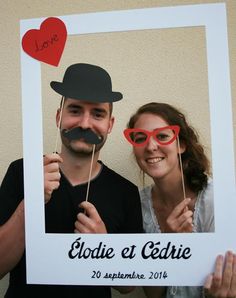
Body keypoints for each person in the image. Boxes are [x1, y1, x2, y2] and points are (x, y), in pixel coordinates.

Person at [0, 63, 143, 297]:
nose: (85, 124)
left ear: (110, 125)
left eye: (97, 113)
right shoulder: (22, 172)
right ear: (59, 116)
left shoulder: (126, 192)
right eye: (75, 110)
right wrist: (30, 204)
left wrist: (104, 249)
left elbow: (127, 286)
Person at [124, 102, 236, 298]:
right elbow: (154, 294)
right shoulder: (138, 205)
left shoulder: (216, 200)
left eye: (162, 136)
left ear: (181, 145)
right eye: (140, 138)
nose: (150, 146)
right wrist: (167, 248)